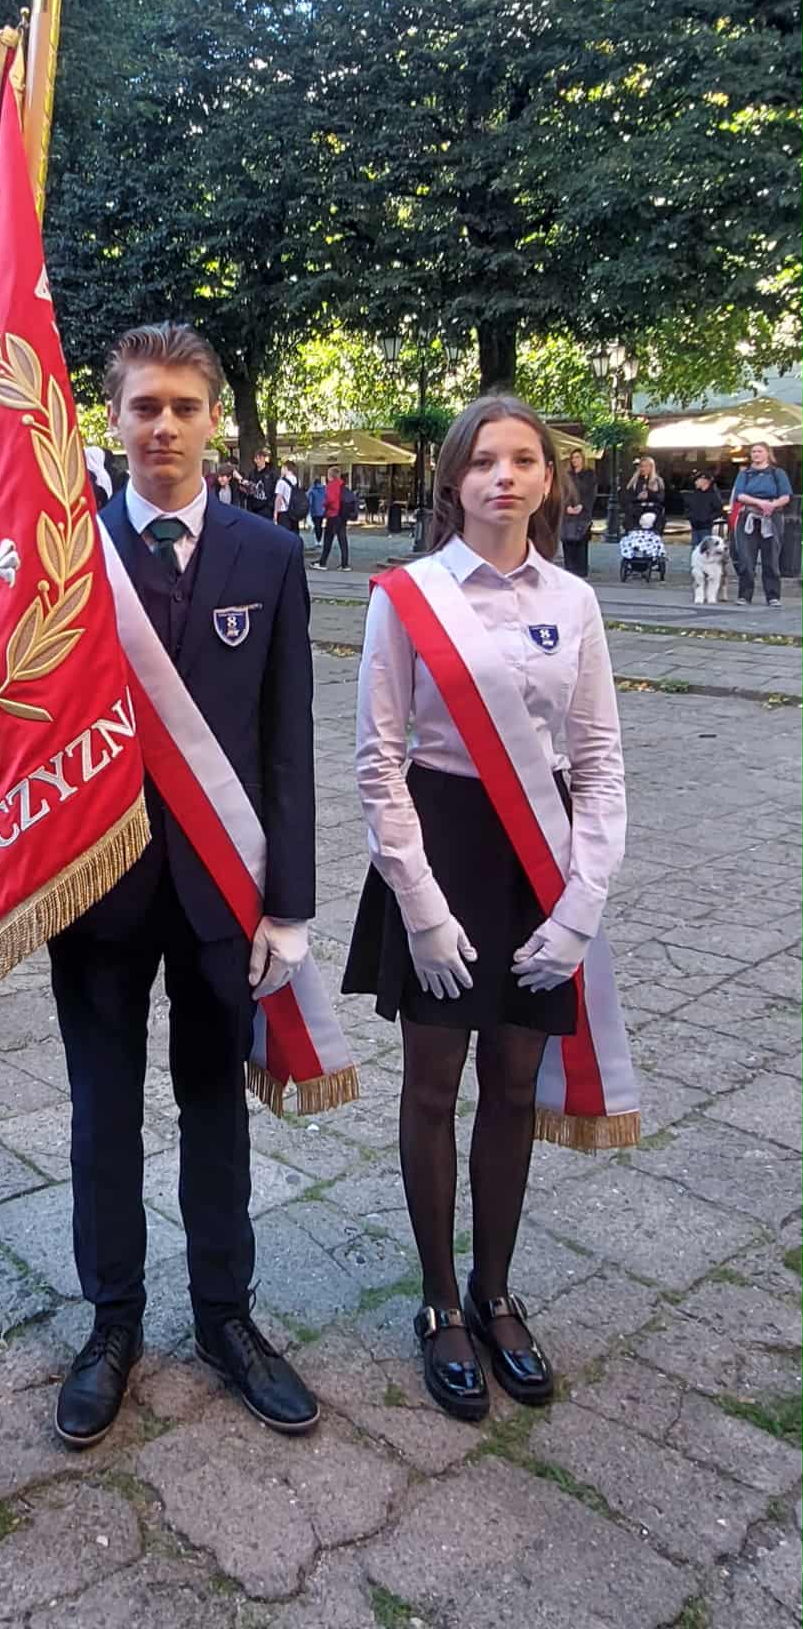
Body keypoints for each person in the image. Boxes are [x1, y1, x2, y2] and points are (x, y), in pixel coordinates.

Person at [50, 321, 319, 1448]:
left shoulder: (270, 553)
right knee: (103, 1117)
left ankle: (224, 1317)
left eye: (183, 407)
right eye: (143, 406)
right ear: (111, 419)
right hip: (96, 892)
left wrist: (290, 904)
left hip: (222, 890)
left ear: (213, 421)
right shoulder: (65, 553)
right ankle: (111, 1321)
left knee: (215, 1111)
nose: (163, 426)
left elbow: (286, 738)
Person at [344, 396, 625, 1423]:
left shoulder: (575, 601)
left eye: (524, 460)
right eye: (483, 461)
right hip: (441, 844)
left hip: (535, 856)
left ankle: (495, 1291)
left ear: (549, 479)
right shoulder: (407, 596)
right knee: (432, 1086)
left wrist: (582, 902)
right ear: (453, 479)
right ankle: (437, 1302)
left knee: (513, 1083)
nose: (504, 476)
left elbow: (598, 759)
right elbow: (378, 761)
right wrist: (418, 907)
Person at [731, 442, 792, 606]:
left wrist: (772, 505)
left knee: (771, 558)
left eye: (760, 451)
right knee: (746, 558)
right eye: (753, 451)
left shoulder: (777, 473)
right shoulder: (745, 474)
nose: (756, 454)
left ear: (767, 454)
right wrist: (760, 503)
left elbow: (786, 496)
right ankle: (744, 595)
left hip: (771, 518)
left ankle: (773, 596)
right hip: (749, 517)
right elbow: (740, 495)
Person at [559, 448, 597, 579]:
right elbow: (563, 492)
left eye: (577, 457)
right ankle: (569, 570)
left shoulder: (589, 474)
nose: (575, 460)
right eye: (573, 458)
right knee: (568, 540)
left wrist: (582, 505)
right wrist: (567, 506)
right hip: (568, 513)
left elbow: (591, 493)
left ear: (583, 459)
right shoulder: (567, 475)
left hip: (583, 513)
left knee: (581, 541)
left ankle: (581, 570)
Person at [317, 466, 352, 570]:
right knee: (342, 539)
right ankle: (345, 564)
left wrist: (324, 504)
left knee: (328, 539)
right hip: (342, 514)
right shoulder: (342, 485)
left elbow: (330, 499)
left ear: (330, 475)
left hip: (333, 514)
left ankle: (322, 562)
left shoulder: (331, 485)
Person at [683, 468, 725, 549]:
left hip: (705, 528)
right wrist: (690, 516)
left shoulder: (713, 494)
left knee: (705, 550)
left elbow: (719, 510)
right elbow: (689, 506)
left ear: (704, 481)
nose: (695, 482)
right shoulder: (696, 493)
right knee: (695, 550)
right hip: (695, 526)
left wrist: (708, 518)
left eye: (697, 480)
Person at [624, 455, 665, 534]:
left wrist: (650, 494)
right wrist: (638, 498)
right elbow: (627, 497)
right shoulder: (634, 481)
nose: (643, 468)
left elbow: (661, 498)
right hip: (636, 511)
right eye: (642, 466)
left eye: (646, 466)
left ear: (651, 467)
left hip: (653, 511)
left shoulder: (657, 480)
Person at [274, 460, 306, 531]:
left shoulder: (281, 481)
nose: (281, 470)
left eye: (282, 468)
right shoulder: (297, 480)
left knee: (284, 534)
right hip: (294, 511)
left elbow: (278, 498)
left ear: (285, 468)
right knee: (294, 533)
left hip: (284, 512)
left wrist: (275, 514)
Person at [307, 476, 327, 545]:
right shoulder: (324, 489)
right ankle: (320, 540)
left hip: (314, 511)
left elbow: (310, 501)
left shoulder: (312, 490)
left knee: (316, 525)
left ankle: (317, 539)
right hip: (322, 510)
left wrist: (309, 510)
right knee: (320, 525)